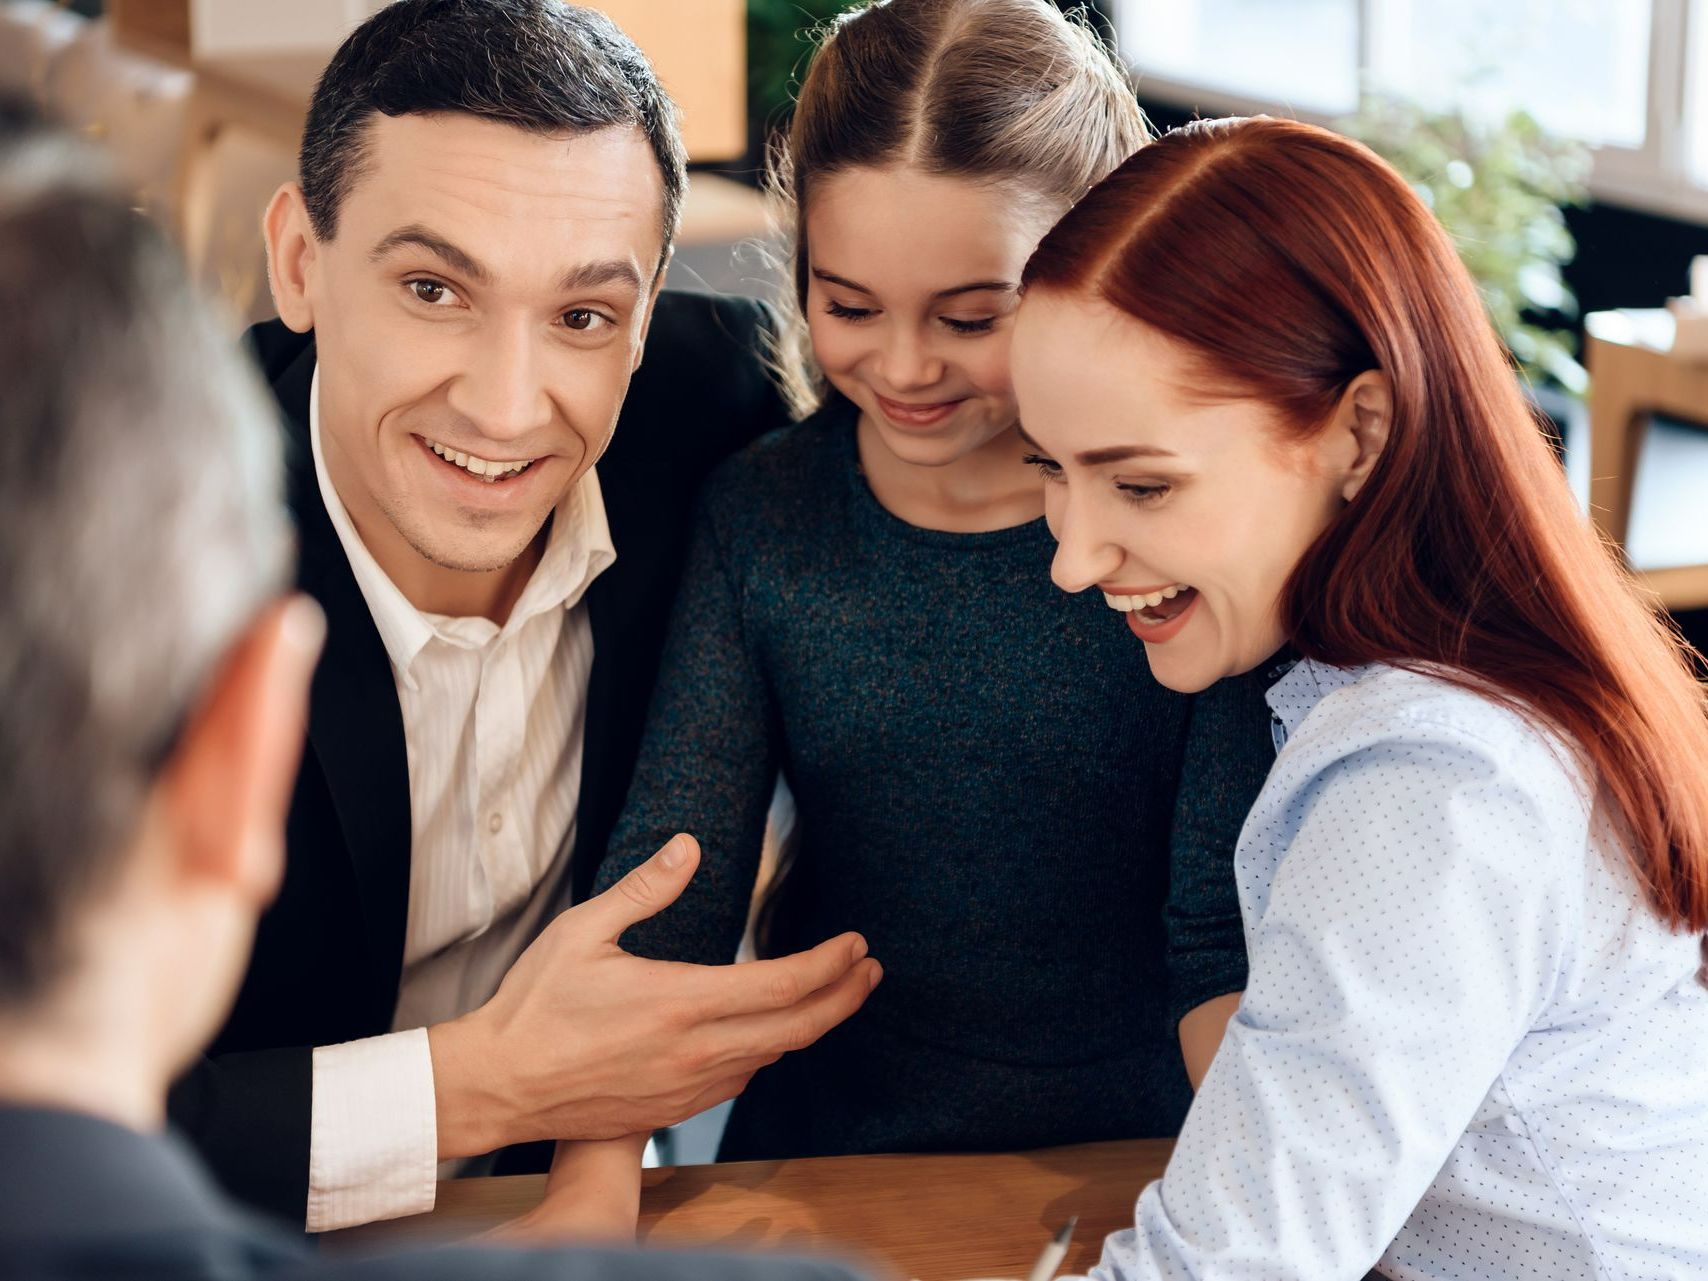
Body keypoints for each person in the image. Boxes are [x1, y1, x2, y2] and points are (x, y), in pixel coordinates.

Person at [0, 110, 869, 1281]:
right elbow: (54, 1108)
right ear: (299, 261)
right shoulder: (128, 527)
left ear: (647, 313)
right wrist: (488, 1083)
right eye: (430, 289)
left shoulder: (724, 409)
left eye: (582, 316)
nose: (506, 408)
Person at [584, 0, 1277, 1177]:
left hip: (1150, 1156)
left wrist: (1246, 1212)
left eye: (971, 317)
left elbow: (1219, 937)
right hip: (825, 1161)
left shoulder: (1185, 542)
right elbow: (672, 899)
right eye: (848, 306)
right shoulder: (762, 518)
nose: (902, 368)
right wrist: (592, 1195)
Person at [1011, 115, 1708, 1280]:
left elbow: (1230, 1268)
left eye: (1139, 482)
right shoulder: (1469, 681)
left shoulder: (1430, 783)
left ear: (1360, 433)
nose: (1073, 559)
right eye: (1049, 467)